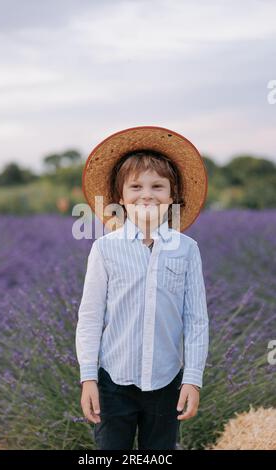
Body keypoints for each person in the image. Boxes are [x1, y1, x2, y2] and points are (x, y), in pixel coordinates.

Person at [75, 126, 209, 450]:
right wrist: (88, 377)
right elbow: (90, 318)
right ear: (121, 198)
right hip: (112, 382)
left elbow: (196, 321)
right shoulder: (105, 249)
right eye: (135, 186)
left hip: (167, 383)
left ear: (172, 196)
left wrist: (192, 378)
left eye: (157, 186)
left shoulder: (186, 249)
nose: (146, 194)